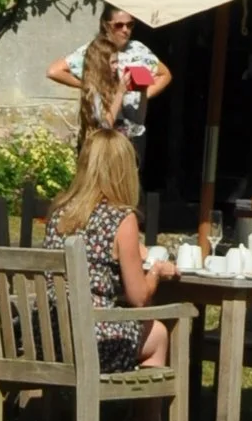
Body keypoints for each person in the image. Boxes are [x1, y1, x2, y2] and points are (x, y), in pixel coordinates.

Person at [50, 121, 175, 371]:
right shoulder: (121, 219)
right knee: (158, 333)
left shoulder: (59, 212)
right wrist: (156, 272)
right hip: (93, 340)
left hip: (50, 337)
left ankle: (111, 410)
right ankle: (145, 412)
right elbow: (138, 298)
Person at [47, 4, 170, 149]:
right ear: (106, 25)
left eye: (130, 25)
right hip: (106, 133)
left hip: (133, 131)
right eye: (119, 25)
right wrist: (90, 85)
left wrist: (144, 94)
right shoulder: (96, 50)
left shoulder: (138, 49)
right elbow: (54, 71)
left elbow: (165, 74)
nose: (126, 30)